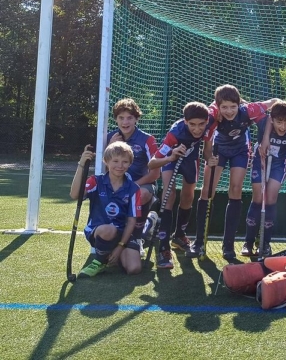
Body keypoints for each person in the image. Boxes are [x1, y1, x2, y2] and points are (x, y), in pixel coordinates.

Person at [188, 84, 277, 260]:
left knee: (235, 189)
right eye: (224, 107)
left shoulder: (248, 109)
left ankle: (228, 245)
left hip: (240, 150)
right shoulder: (211, 114)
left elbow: (273, 104)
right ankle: (198, 242)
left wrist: (266, 138)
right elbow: (206, 144)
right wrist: (208, 157)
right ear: (217, 105)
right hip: (218, 149)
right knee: (207, 190)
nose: (229, 111)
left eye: (233, 107)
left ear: (239, 104)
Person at [148, 102, 217, 269]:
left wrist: (210, 158)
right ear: (185, 121)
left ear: (207, 120)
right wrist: (170, 157)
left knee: (188, 196)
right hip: (171, 159)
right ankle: (163, 248)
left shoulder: (211, 122)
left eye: (201, 124)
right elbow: (152, 164)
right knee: (169, 195)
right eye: (192, 124)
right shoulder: (175, 133)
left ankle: (179, 235)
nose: (197, 129)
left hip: (191, 159)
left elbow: (207, 149)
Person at [240, 100, 286, 258]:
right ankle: (248, 241)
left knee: (270, 199)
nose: (283, 127)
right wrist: (266, 136)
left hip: (279, 164)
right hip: (259, 160)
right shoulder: (264, 122)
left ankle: (265, 242)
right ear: (272, 119)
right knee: (258, 198)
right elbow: (254, 110)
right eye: (279, 122)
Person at [70, 142, 142, 277]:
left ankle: (112, 253)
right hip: (100, 231)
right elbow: (74, 195)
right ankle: (99, 262)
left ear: (130, 164)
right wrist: (81, 164)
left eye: (125, 162)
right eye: (115, 161)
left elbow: (132, 221)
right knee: (109, 229)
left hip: (122, 234)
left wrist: (120, 246)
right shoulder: (96, 181)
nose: (120, 166)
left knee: (134, 269)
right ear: (106, 161)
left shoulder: (134, 188)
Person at [106, 98, 160, 256]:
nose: (125, 122)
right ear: (115, 119)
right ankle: (107, 238)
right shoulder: (109, 137)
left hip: (142, 184)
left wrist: (132, 185)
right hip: (116, 184)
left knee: (139, 194)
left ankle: (137, 239)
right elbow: (103, 168)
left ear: (136, 119)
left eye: (129, 117)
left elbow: (155, 173)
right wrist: (109, 146)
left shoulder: (147, 139)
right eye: (121, 118)